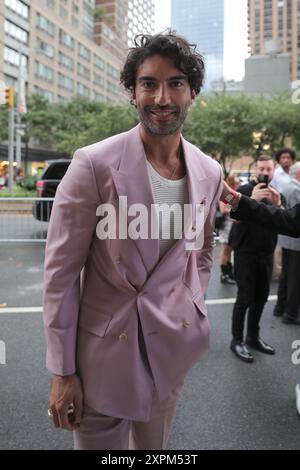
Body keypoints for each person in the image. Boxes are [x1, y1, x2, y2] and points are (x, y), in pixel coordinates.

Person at [43, 32, 223, 450]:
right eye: (148, 83)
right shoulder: (94, 164)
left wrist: (190, 305)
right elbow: (61, 275)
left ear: (193, 93)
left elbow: (202, 249)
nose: (162, 97)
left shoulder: (209, 171)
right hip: (100, 358)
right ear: (132, 92)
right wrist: (63, 370)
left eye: (176, 83)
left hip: (169, 351)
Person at [229, 155, 281, 363]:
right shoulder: (243, 191)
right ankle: (236, 340)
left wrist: (278, 206)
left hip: (266, 253)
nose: (265, 173)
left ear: (273, 170)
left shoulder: (276, 194)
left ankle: (252, 337)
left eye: (269, 169)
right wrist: (253, 200)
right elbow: (235, 218)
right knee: (244, 298)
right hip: (245, 253)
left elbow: (282, 221)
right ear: (255, 170)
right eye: (262, 169)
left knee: (261, 298)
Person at [273, 162, 300, 325]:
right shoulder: (296, 189)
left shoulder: (288, 187)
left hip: (288, 240)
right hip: (295, 241)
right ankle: (290, 313)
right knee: (295, 279)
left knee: (287, 276)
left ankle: (280, 307)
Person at [218, 175, 240, 285]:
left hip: (231, 225)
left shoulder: (232, 195)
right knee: (225, 250)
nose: (238, 184)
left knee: (229, 250)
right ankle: (224, 274)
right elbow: (223, 209)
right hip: (226, 225)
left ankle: (229, 272)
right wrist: (235, 208)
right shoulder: (226, 195)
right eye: (236, 183)